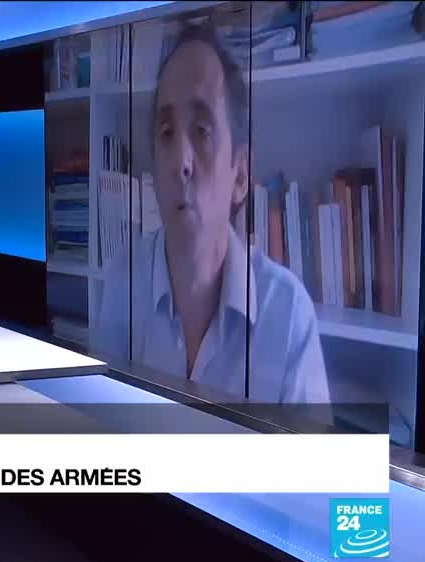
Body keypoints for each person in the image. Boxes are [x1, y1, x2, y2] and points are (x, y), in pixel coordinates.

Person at [94, 24, 329, 404]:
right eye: (166, 132)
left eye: (202, 130)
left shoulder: (288, 316)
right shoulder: (123, 282)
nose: (181, 161)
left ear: (240, 175)